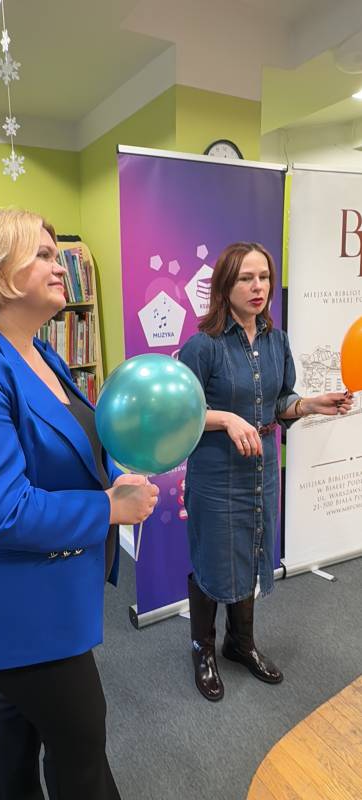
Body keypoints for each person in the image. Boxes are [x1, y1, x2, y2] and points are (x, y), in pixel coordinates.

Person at [0, 208, 159, 799]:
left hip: (51, 584)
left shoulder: (41, 353)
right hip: (9, 601)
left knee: (21, 723)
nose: (60, 266)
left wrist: (120, 471)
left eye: (58, 254)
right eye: (44, 255)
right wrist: (109, 508)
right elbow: (0, 510)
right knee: (81, 744)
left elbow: (79, 443)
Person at [179, 242, 353, 702]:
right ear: (225, 286)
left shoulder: (277, 341)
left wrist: (309, 404)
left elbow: (279, 402)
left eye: (264, 277)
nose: (258, 287)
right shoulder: (203, 346)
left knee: (252, 550)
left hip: (261, 468)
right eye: (246, 278)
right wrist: (226, 418)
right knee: (213, 556)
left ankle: (240, 643)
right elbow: (180, 413)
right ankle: (202, 649)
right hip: (216, 472)